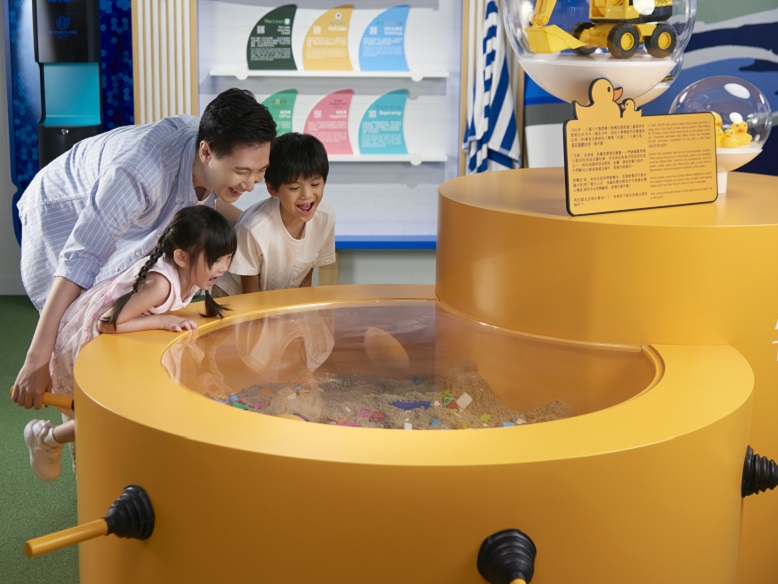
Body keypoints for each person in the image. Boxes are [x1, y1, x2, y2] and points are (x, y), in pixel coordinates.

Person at [13, 87, 276, 411]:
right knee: (76, 334)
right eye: (242, 172)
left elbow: (221, 214)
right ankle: (67, 431)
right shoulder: (141, 173)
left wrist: (269, 233)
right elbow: (80, 258)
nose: (251, 185)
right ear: (206, 152)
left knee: (121, 310)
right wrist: (36, 360)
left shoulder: (212, 149)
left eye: (259, 172)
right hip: (62, 209)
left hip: (128, 213)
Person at [20, 205, 237, 480]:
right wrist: (161, 322)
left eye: (228, 257)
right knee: (106, 414)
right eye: (217, 259)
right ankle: (47, 439)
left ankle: (67, 449)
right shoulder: (160, 285)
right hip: (91, 338)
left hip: (116, 333)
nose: (223, 266)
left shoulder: (192, 274)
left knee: (109, 414)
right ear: (181, 257)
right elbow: (108, 323)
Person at [215, 132, 335, 296]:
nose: (307, 195)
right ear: (272, 189)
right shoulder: (253, 229)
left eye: (315, 184)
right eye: (294, 188)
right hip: (235, 298)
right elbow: (250, 295)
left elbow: (305, 278)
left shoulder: (325, 219)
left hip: (276, 299)